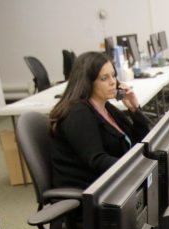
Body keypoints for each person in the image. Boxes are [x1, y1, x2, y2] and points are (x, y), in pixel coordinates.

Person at [50, 51, 151, 189]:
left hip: (112, 181)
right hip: (91, 191)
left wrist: (134, 110)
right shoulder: (78, 113)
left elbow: (138, 142)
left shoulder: (106, 107)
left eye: (114, 76)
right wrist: (138, 168)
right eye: (104, 78)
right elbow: (97, 160)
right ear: (87, 82)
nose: (113, 82)